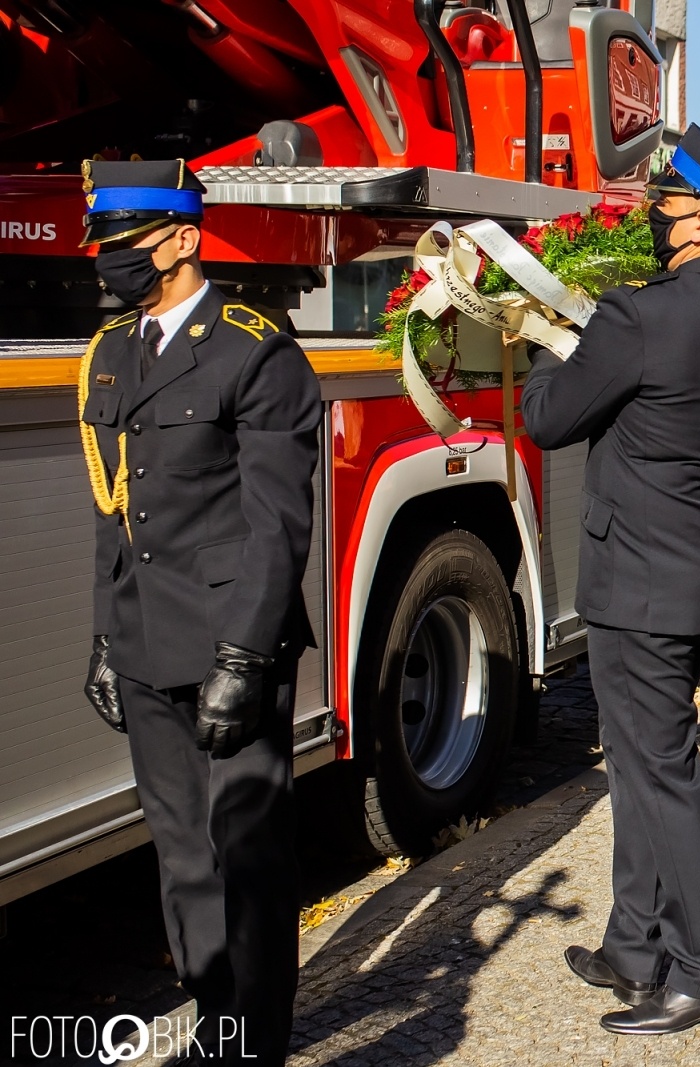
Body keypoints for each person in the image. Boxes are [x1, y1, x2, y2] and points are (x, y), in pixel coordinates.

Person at [524, 123, 700, 1035]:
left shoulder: (639, 317)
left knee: (658, 772)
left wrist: (540, 335)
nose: (659, 223)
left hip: (636, 577)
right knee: (647, 757)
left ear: (697, 223)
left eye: (668, 209)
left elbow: (549, 420)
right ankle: (633, 944)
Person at [76, 160, 320, 1066]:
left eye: (127, 242)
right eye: (104, 244)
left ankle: (258, 1042)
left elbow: (276, 524)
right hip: (145, 642)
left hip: (228, 644)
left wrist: (246, 658)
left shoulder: (254, 351)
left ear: (183, 237)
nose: (110, 261)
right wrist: (106, 633)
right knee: (181, 853)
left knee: (249, 853)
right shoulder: (111, 351)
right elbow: (113, 511)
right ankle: (216, 1014)